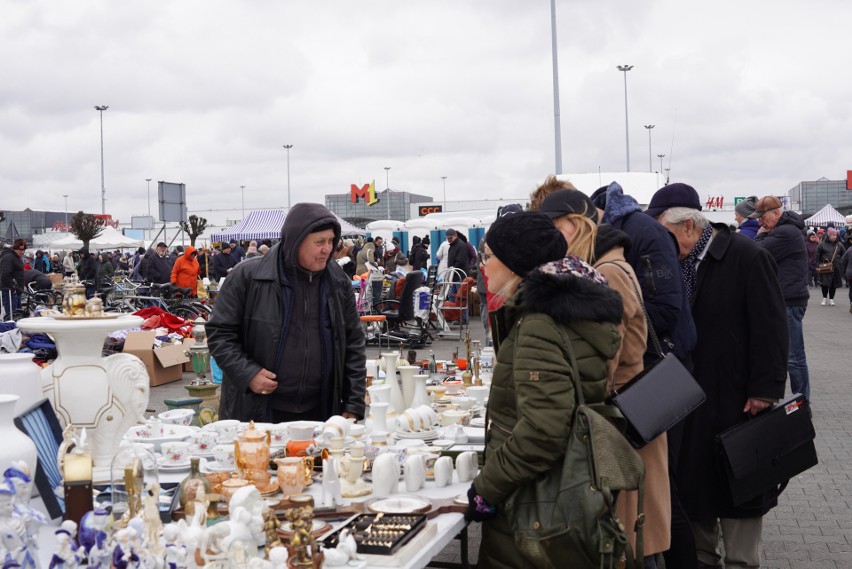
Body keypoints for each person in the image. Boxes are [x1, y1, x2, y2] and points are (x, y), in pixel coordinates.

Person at [464, 211, 624, 568]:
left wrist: (486, 487)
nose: (483, 266)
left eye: (489, 256)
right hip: (552, 493)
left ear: (516, 263)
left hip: (537, 504)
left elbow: (544, 429)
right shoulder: (553, 313)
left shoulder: (539, 323)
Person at [646, 182, 788, 569]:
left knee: (740, 498)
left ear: (689, 226)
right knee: (697, 503)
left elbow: (772, 329)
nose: (661, 243)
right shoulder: (671, 263)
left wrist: (765, 389)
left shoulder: (746, 257)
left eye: (665, 233)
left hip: (738, 400)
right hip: (687, 404)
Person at [540, 188, 670, 565]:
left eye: (556, 226)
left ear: (577, 223)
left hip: (623, 412)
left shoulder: (607, 270)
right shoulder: (608, 264)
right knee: (636, 534)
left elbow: (606, 354)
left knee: (632, 537)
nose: (552, 236)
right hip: (627, 408)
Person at [206, 202, 366, 423]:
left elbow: (353, 343)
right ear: (296, 241)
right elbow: (219, 333)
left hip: (322, 412)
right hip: (258, 412)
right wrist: (248, 373)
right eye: (319, 242)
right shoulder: (248, 276)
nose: (327, 249)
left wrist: (353, 402)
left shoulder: (338, 282)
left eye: (331, 241)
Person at [750, 195, 811, 401]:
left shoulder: (786, 232)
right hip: (788, 298)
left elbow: (757, 253)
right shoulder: (785, 230)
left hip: (790, 300)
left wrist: (759, 235)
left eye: (762, 217)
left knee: (794, 357)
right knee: (790, 356)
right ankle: (798, 400)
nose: (760, 222)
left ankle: (802, 401)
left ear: (777, 213)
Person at [816, 228, 846, 305]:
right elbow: (817, 255)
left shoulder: (839, 244)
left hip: (836, 267)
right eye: (833, 235)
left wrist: (840, 261)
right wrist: (818, 264)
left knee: (833, 284)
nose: (834, 237)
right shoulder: (822, 244)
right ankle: (824, 298)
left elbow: (844, 254)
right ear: (829, 236)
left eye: (835, 235)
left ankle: (831, 299)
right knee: (824, 283)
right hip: (825, 267)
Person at [0, 240, 26, 320]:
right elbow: (4, 275)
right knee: (11, 315)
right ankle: (10, 330)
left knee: (17, 314)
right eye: (21, 250)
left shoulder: (15, 257)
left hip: (15, 290)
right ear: (15, 249)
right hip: (9, 291)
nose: (23, 252)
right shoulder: (9, 257)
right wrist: (13, 287)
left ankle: (16, 330)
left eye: (24, 250)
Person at [842, 244, 852, 313]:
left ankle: (851, 302)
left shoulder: (849, 249)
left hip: (850, 273)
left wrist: (844, 271)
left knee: (851, 289)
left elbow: (843, 260)